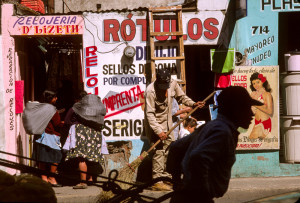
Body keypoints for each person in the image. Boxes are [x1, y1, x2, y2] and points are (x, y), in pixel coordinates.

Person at [166, 86, 263, 203]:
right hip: (195, 198)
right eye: (247, 108)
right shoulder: (222, 132)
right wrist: (202, 192)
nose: (251, 114)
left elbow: (176, 147)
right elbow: (198, 158)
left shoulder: (212, 126)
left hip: (186, 196)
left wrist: (177, 182)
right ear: (236, 110)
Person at [144, 68, 205, 191]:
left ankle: (166, 177)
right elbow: (149, 114)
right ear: (157, 81)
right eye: (163, 86)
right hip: (156, 123)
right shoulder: (150, 91)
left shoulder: (172, 83)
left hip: (169, 123)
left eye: (166, 85)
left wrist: (193, 104)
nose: (165, 88)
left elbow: (182, 97)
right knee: (159, 151)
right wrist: (158, 131)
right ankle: (157, 181)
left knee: (168, 149)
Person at [64, 94, 107, 189]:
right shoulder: (96, 111)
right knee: (91, 157)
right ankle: (90, 179)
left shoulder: (77, 109)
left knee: (81, 158)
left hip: (81, 133)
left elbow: (67, 121)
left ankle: (83, 182)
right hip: (95, 133)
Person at [32, 90, 64, 187]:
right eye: (55, 97)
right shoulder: (52, 110)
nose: (56, 99)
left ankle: (44, 178)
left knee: (42, 157)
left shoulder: (39, 108)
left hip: (39, 135)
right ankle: (52, 177)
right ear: (50, 99)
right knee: (56, 157)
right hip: (50, 135)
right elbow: (57, 123)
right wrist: (63, 123)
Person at [249, 72, 273, 140]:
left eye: (257, 82)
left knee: (251, 139)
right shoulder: (253, 95)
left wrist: (256, 104)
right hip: (256, 122)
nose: (256, 85)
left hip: (264, 123)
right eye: (253, 83)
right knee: (251, 141)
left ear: (262, 82)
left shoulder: (267, 94)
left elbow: (270, 111)